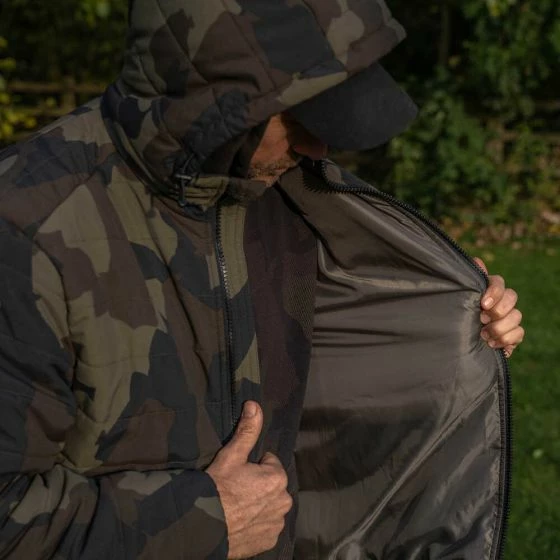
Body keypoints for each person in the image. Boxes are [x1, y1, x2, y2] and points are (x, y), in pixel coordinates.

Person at [0, 1, 523, 559]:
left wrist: (451, 321)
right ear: (218, 99)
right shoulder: (27, 233)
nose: (318, 148)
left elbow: (335, 362)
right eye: (300, 119)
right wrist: (204, 522)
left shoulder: (279, 196)